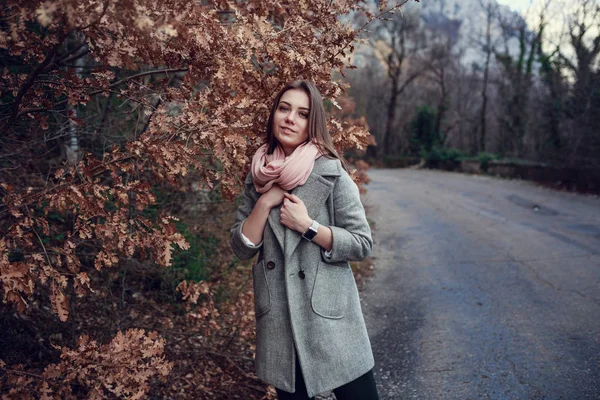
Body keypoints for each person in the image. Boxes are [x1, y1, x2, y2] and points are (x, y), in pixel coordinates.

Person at [230, 80, 379, 400]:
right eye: (284, 109)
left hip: (329, 314)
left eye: (301, 113)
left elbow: (362, 243)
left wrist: (308, 226)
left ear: (312, 124)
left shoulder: (331, 171)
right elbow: (241, 248)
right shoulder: (258, 174)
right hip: (281, 319)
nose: (289, 118)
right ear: (274, 115)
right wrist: (265, 202)